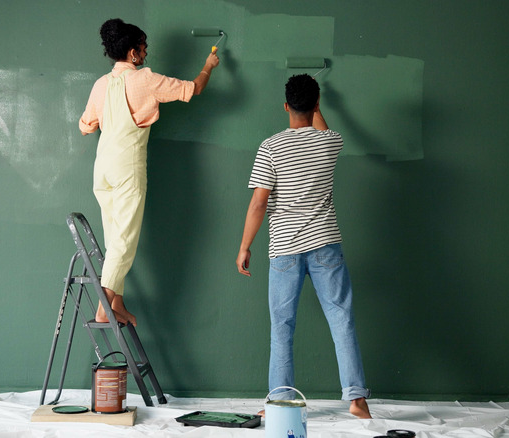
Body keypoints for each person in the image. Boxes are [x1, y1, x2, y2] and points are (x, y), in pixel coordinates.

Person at [235, 74, 372, 419]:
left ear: (285, 106)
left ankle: (281, 404)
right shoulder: (330, 142)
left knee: (282, 328)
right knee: (342, 320)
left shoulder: (270, 146)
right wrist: (318, 108)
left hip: (285, 249)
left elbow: (258, 204)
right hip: (326, 245)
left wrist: (244, 246)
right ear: (315, 105)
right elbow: (322, 131)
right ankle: (357, 401)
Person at [80, 18, 219, 326]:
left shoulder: (100, 84)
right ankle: (105, 306)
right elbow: (194, 88)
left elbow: (85, 125)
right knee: (123, 241)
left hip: (103, 169)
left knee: (115, 238)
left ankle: (117, 304)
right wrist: (209, 65)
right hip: (128, 168)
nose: (145, 54)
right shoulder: (145, 79)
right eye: (142, 49)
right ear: (132, 53)